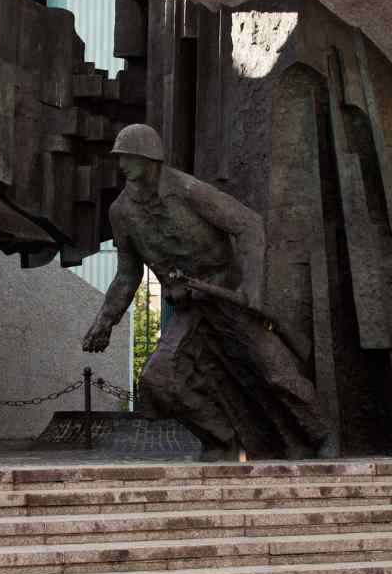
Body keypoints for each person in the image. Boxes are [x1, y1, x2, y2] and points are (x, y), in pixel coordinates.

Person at [81, 124, 329, 461]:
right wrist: (105, 322)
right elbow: (127, 274)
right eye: (120, 157)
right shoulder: (122, 212)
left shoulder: (187, 190)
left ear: (149, 157)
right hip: (189, 306)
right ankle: (221, 440)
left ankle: (321, 434)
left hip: (227, 294)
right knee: (159, 380)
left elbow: (249, 224)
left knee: (276, 371)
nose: (122, 164)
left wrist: (252, 288)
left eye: (128, 157)